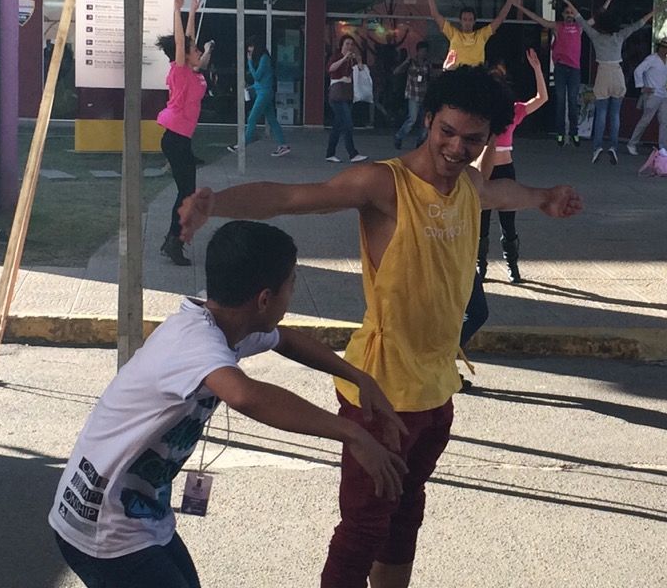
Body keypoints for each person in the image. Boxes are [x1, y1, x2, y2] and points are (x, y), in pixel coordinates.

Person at [177, 65, 583, 588]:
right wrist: (217, 205)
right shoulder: (384, 184)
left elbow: (500, 195)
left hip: (437, 389)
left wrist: (544, 197)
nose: (457, 148)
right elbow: (291, 197)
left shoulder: (469, 184)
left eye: (473, 139)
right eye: (447, 132)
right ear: (429, 119)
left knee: (405, 517)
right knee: (363, 530)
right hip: (381, 393)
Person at [49, 220, 408, 588]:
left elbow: (285, 339)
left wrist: (359, 377)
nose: (293, 293)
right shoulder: (195, 343)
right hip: (101, 528)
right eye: (292, 283)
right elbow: (244, 394)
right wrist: (352, 434)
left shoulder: (222, 319)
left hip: (134, 514)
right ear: (265, 299)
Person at [476, 48, 549, 286]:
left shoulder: (514, 110)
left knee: (508, 222)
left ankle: (512, 266)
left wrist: (538, 68)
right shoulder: (480, 110)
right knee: (481, 223)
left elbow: (542, 98)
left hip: (505, 171)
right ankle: (480, 266)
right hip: (484, 172)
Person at [564, 0, 654, 165]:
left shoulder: (596, 37)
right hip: (617, 73)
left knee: (601, 114)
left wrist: (569, 3)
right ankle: (613, 146)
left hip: (602, 73)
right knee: (615, 115)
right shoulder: (619, 36)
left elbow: (580, 18)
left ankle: (597, 147)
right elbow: (637, 25)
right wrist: (653, 12)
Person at [155, 0, 208, 267]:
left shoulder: (191, 69)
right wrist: (176, 9)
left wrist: (192, 12)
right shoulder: (180, 70)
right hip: (175, 138)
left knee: (186, 191)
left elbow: (187, 40)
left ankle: (171, 241)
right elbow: (181, 43)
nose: (199, 51)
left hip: (181, 139)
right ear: (186, 56)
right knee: (186, 192)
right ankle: (173, 242)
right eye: (195, 51)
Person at [512, 0, 583, 147]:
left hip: (575, 69)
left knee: (572, 99)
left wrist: (608, 1)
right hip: (561, 68)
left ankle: (574, 132)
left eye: (572, 12)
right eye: (567, 12)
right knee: (560, 100)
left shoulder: (580, 26)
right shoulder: (558, 26)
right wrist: (520, 6)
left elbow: (594, 21)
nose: (570, 15)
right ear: (562, 14)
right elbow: (539, 19)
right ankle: (560, 133)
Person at [423, 0, 516, 69]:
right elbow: (435, 15)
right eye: (465, 19)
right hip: (457, 76)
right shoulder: (453, 33)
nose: (467, 22)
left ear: (474, 21)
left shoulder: (481, 35)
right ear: (460, 21)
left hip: (475, 77)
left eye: (470, 19)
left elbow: (500, 18)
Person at [227, 34, 290, 158]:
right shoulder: (263, 58)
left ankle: (243, 144)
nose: (249, 49)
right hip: (263, 91)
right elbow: (258, 80)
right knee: (272, 119)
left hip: (264, 93)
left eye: (250, 46)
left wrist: (249, 61)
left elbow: (257, 76)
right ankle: (283, 145)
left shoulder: (264, 58)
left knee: (252, 118)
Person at [626, 38, 667, 156]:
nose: (665, 50)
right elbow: (638, 71)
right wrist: (642, 86)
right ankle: (632, 143)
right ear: (659, 48)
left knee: (665, 122)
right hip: (652, 94)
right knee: (645, 120)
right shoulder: (652, 59)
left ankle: (664, 147)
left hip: (663, 94)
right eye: (663, 48)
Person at [326, 34, 369, 164]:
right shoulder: (337, 56)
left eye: (351, 44)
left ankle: (330, 153)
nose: (349, 46)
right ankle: (352, 153)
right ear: (342, 45)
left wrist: (359, 62)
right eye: (347, 44)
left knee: (337, 126)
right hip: (337, 96)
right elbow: (331, 68)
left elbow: (361, 74)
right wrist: (344, 58)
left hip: (347, 95)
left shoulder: (352, 60)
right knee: (348, 123)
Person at [392, 40, 435, 150]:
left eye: (425, 51)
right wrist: (406, 62)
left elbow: (431, 78)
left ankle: (420, 141)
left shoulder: (428, 64)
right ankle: (399, 136)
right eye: (422, 51)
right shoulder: (411, 62)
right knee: (412, 119)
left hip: (424, 94)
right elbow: (396, 72)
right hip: (413, 94)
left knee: (425, 120)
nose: (423, 53)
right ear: (417, 51)